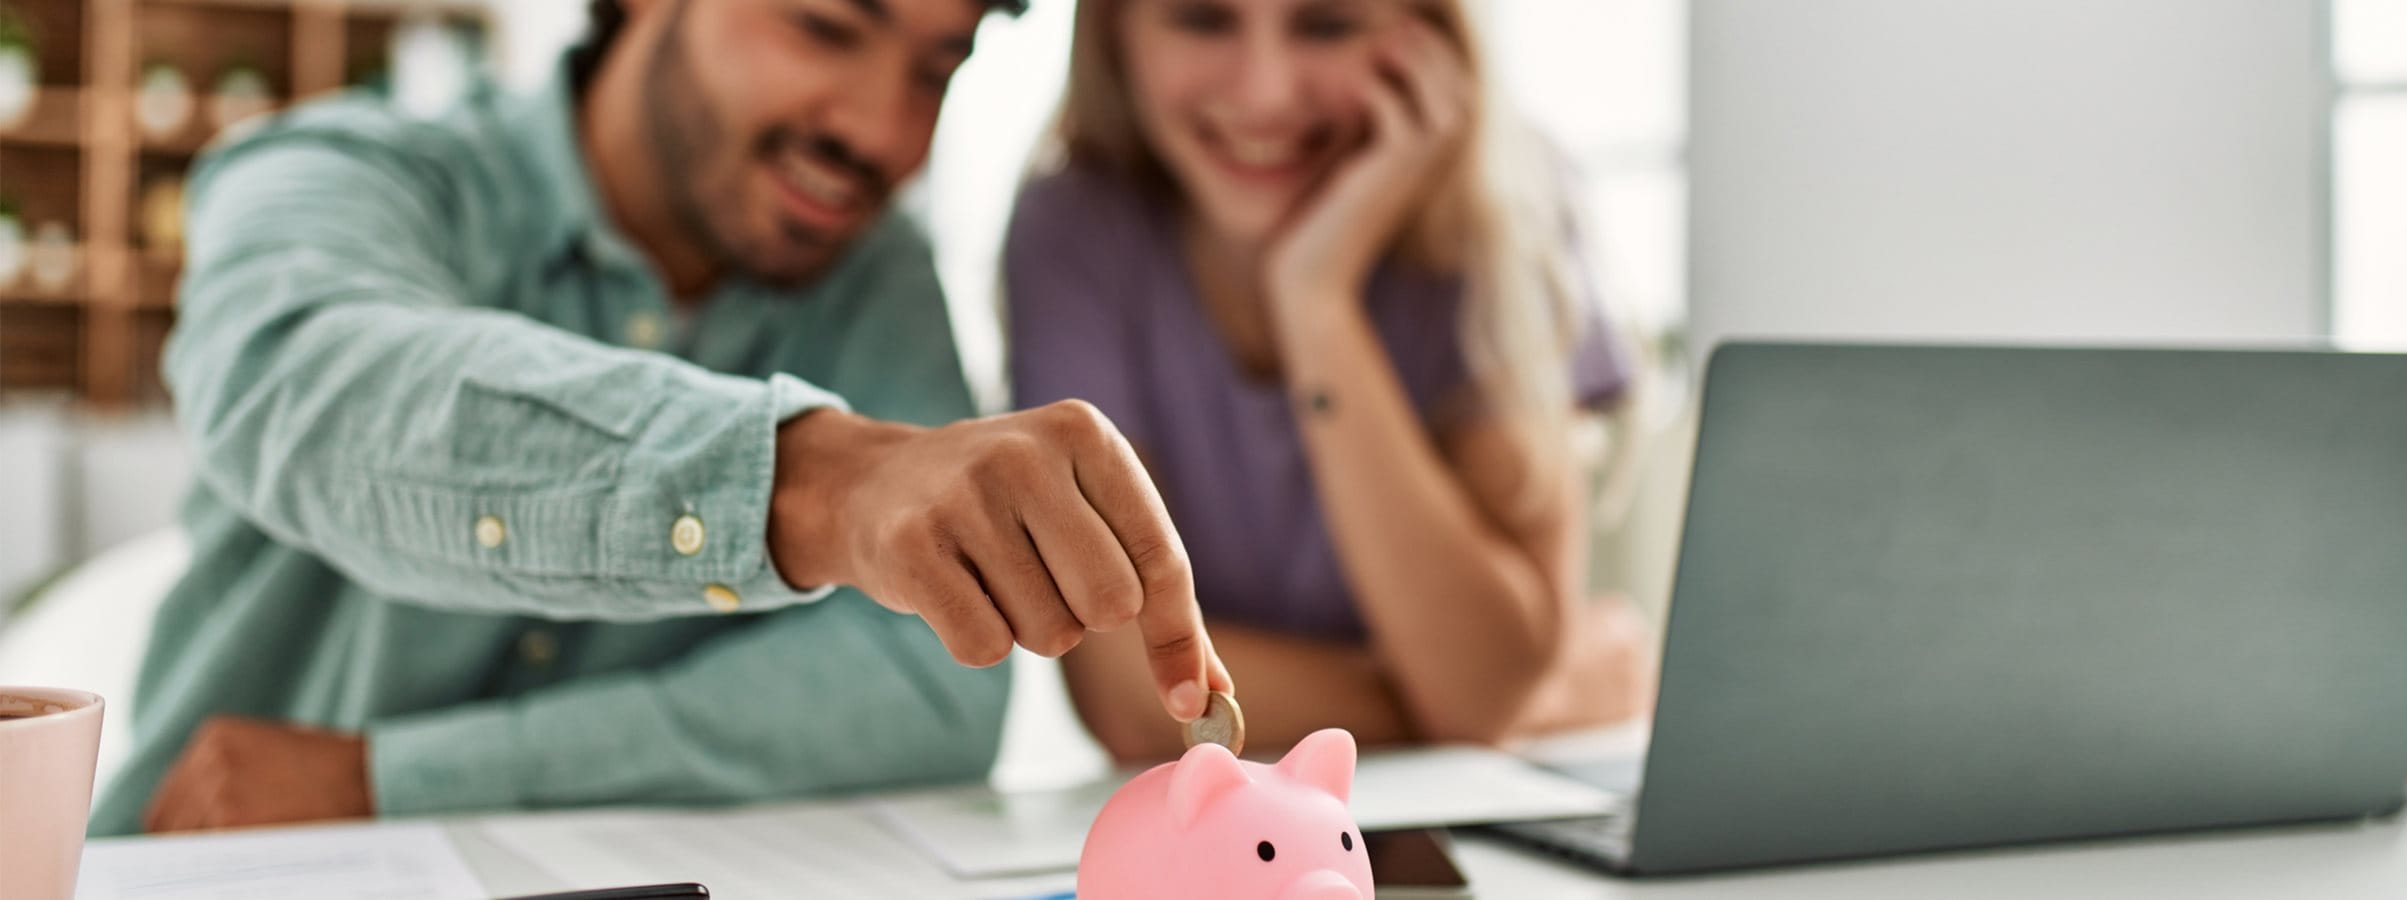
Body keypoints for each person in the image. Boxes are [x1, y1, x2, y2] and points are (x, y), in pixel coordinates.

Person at [90, 0, 1233, 836]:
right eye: (826, 27)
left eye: (938, 70)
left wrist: (390, 779)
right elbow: (315, 392)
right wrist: (821, 484)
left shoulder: (872, 272)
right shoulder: (343, 173)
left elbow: (929, 689)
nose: (885, 134)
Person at [1005, 0, 1653, 761]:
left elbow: (1480, 692)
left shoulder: (1508, 207)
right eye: (1202, 20)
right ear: (1116, 28)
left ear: (1429, 39)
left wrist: (1316, 298)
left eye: (1328, 25)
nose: (1266, 92)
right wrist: (1538, 696)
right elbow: (1132, 702)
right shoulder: (1075, 228)